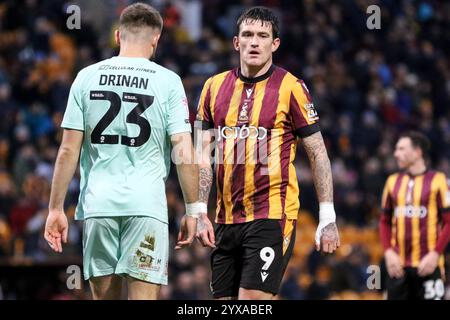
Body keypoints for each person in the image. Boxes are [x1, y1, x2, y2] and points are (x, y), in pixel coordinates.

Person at [44, 3, 201, 300]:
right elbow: (183, 149)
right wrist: (193, 210)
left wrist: (55, 208)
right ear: (156, 39)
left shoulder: (86, 77)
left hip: (98, 206)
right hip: (146, 206)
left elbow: (67, 151)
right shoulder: (168, 81)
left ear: (117, 36)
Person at [194, 6, 340, 300]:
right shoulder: (212, 87)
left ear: (275, 44)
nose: (254, 42)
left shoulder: (291, 87)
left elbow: (317, 153)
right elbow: (200, 156)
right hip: (225, 219)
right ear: (236, 42)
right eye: (247, 35)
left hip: (272, 214)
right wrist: (198, 210)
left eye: (263, 36)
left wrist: (327, 215)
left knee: (253, 302)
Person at [379, 131, 450, 300]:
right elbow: (384, 221)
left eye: (402, 149)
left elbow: (449, 222)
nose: (396, 154)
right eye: (396, 149)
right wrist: (388, 252)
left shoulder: (439, 180)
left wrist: (435, 254)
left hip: (429, 266)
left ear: (418, 152)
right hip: (398, 267)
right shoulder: (392, 181)